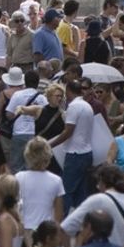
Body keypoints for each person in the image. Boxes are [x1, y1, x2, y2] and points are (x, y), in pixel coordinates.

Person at [52, 79, 99, 207]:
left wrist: (51, 144)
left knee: (66, 191)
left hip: (75, 153)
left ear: (68, 91)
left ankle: (63, 219)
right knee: (81, 192)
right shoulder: (87, 106)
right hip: (87, 153)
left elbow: (68, 131)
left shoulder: (74, 106)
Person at [17, 137, 66, 229]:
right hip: (45, 231)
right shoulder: (56, 180)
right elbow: (59, 215)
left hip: (24, 229)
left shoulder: (19, 177)